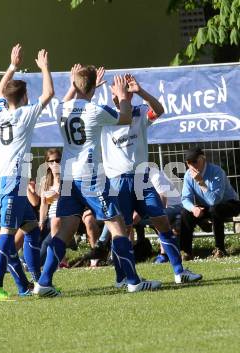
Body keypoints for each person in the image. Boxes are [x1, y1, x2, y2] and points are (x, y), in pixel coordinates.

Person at [34, 64, 160, 297]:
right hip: (90, 177)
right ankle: (132, 281)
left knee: (64, 231)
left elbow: (69, 98)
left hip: (70, 178)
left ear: (74, 84)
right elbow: (124, 118)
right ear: (93, 87)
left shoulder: (61, 109)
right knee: (118, 226)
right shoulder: (94, 110)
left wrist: (77, 85)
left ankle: (43, 282)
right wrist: (122, 96)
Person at [100, 73, 201, 284]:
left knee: (162, 221)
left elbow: (160, 110)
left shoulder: (139, 113)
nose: (119, 95)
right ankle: (122, 277)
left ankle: (179, 271)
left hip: (142, 179)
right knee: (123, 230)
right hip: (119, 181)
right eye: (117, 92)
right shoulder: (106, 117)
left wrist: (141, 91)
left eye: (123, 91)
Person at [0, 44, 54, 301]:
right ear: (24, 97)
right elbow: (49, 93)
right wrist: (44, 67)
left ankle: (37, 283)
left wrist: (13, 66)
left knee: (31, 228)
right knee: (6, 235)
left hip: (3, 180)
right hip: (11, 182)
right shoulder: (25, 115)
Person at [181, 146, 240, 259]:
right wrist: (194, 209)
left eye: (195, 161)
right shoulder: (188, 175)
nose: (192, 165)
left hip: (230, 204)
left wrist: (201, 182)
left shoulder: (217, 172)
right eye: (188, 162)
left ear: (203, 158)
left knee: (215, 209)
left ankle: (220, 249)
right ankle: (186, 252)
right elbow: (185, 199)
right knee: (185, 213)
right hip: (209, 206)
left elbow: (215, 200)